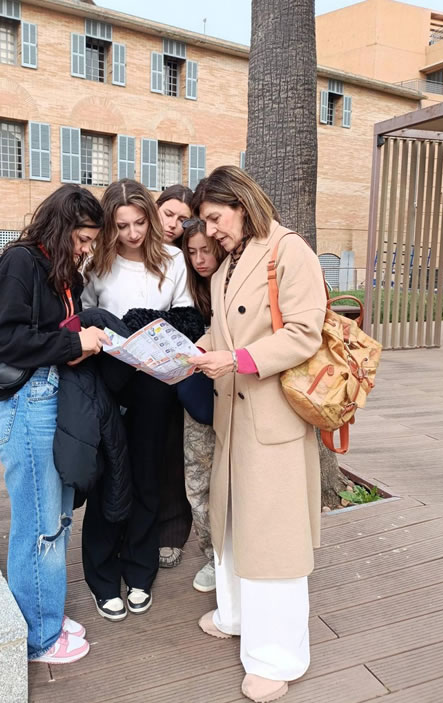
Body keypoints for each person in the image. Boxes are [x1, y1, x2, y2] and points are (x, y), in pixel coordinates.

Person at [188, 165, 326, 703]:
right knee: (232, 525)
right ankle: (237, 614)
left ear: (242, 205)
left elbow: (305, 332)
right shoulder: (228, 264)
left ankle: (278, 657)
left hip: (271, 417)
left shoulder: (289, 251)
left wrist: (237, 359)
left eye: (215, 218)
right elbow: (224, 330)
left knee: (272, 539)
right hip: (234, 416)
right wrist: (195, 350)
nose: (210, 231)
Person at [0, 185, 110, 664]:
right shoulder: (21, 262)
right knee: (39, 527)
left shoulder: (57, 269)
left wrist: (81, 337)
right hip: (27, 405)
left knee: (54, 520)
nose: (86, 249)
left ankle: (44, 614)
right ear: (61, 228)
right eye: (82, 238)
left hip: (50, 400)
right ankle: (39, 637)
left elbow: (47, 331)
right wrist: (75, 345)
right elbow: (4, 340)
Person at [82, 179, 193, 620]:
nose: (132, 233)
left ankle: (140, 570)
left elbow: (187, 317)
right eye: (122, 225)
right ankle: (102, 575)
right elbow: (85, 319)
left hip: (156, 382)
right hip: (108, 381)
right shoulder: (97, 262)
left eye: (140, 223)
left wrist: (148, 327)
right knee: (108, 475)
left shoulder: (173, 259)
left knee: (148, 475)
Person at [180, 218, 226, 593]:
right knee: (197, 481)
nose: (199, 259)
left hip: (237, 392)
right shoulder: (188, 288)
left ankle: (234, 558)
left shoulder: (234, 281)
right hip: (196, 398)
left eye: (205, 251)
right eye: (192, 252)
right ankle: (212, 556)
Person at [155, 184, 194, 569]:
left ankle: (172, 530)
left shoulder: (184, 258)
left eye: (183, 219)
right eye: (168, 214)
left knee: (171, 451)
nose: (173, 224)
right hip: (118, 366)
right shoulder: (121, 248)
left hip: (172, 365)